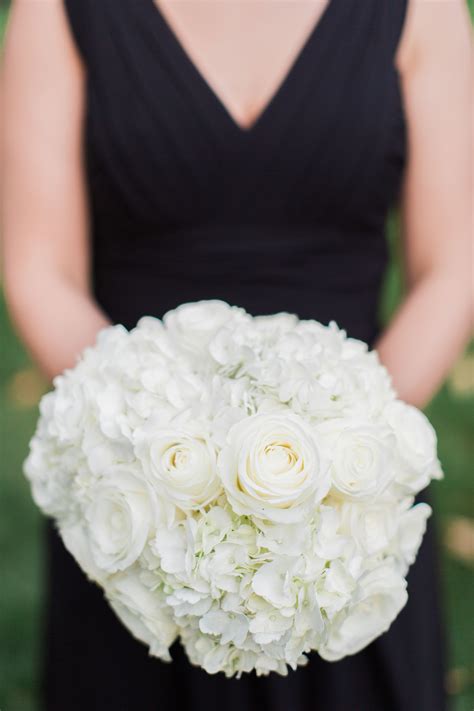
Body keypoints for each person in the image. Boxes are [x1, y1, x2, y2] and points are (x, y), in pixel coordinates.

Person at [1, 1, 472, 709]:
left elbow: (453, 265)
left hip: (349, 505)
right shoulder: (57, 10)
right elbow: (41, 271)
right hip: (137, 490)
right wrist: (153, 459)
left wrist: (343, 464)